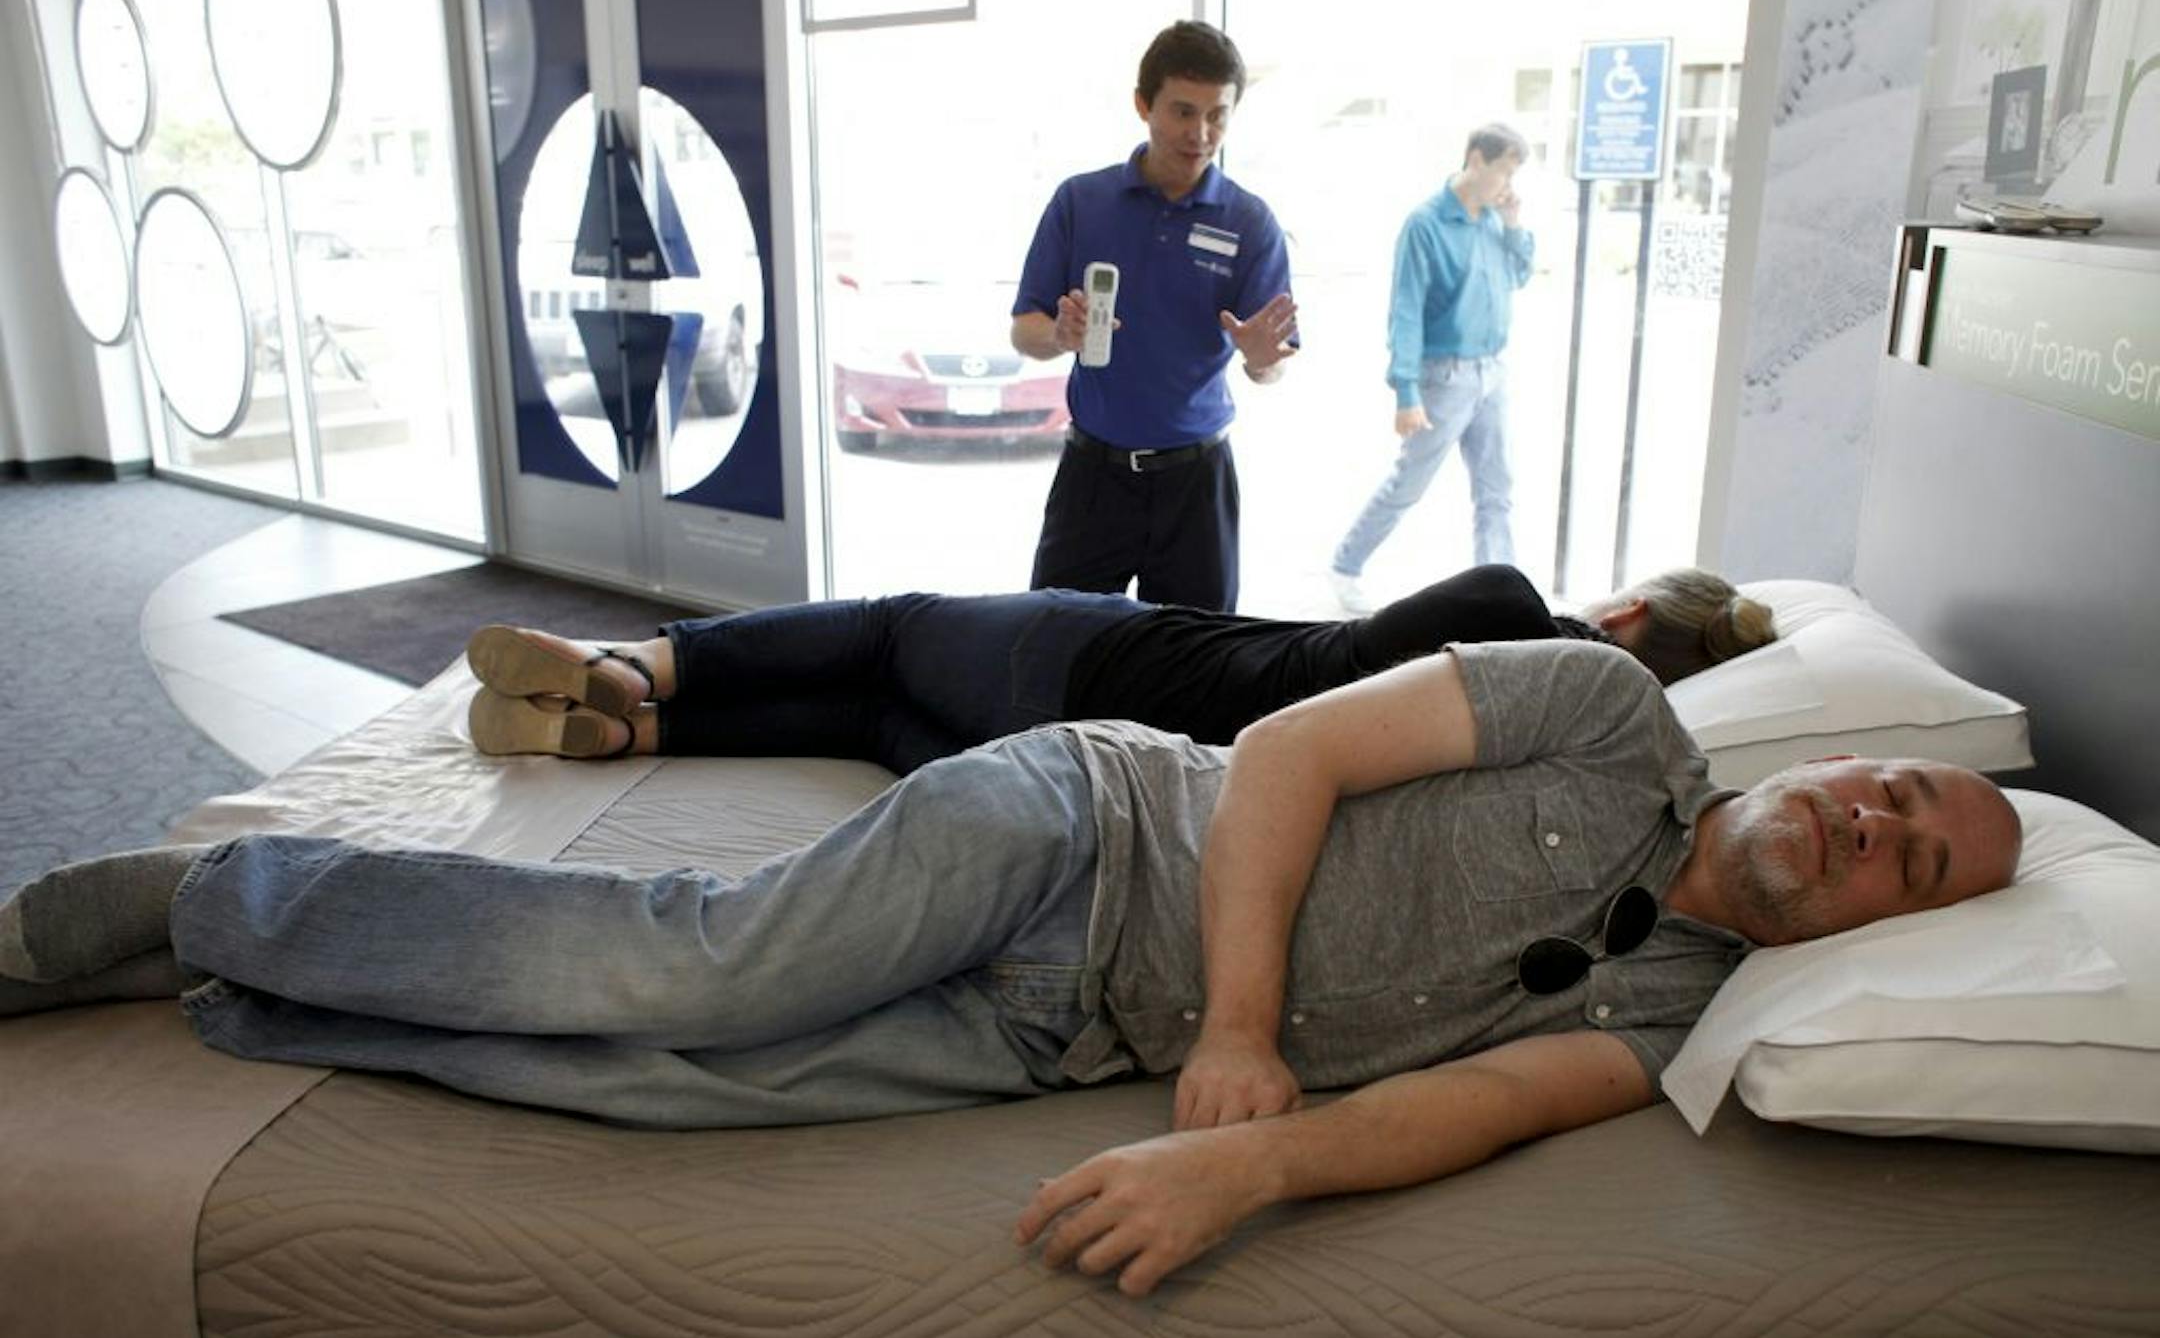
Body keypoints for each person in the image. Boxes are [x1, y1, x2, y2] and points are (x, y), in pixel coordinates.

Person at [0, 641, 2021, 1299]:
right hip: (1091, 823)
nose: (1874, 827)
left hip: (1068, 1031)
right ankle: (184, 905)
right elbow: (1297, 748)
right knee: (700, 979)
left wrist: (1250, 1163)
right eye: (1893, 788)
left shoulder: (1673, 1025)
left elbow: (1485, 1099)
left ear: (1884, 926)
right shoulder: (1606, 710)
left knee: (660, 1088)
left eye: (1913, 864)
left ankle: (253, 991)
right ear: (1839, 754)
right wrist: (1240, 1037)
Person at [461, 563, 1777, 772]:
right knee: (869, 723)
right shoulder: (1546, 753)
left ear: (1622, 620)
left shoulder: (1507, 606)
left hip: (1108, 652)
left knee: (892, 625)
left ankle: (635, 662)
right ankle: (638, 738)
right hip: (1104, 768)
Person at [1011, 19, 1298, 612]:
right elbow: (1025, 330)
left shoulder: (1249, 221)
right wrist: (1061, 334)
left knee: (1199, 667)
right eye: (1183, 112)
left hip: (1197, 484)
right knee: (1052, 643)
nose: (1200, 133)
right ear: (1144, 105)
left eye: (1217, 114)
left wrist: (1263, 362)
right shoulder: (1079, 201)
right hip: (1093, 475)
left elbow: (1270, 366)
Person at [1329, 123, 1536, 616]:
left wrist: (1512, 225)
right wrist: (1405, 391)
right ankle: (1345, 565)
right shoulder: (1425, 224)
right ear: (1475, 159)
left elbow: (1520, 275)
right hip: (1444, 377)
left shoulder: (1492, 219)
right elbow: (1406, 309)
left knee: (1496, 490)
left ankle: (1499, 594)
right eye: (1504, 170)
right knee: (1409, 483)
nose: (1508, 184)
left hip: (1492, 373)